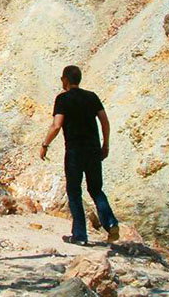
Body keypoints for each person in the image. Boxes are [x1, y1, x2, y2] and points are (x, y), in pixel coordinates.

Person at [39, 65, 119, 246]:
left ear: (66, 80)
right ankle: (111, 222)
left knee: (74, 192)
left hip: (74, 151)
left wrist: (45, 145)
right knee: (96, 189)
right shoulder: (92, 97)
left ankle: (80, 235)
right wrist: (105, 144)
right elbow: (105, 122)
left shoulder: (62, 99)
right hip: (93, 150)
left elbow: (57, 125)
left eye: (62, 79)